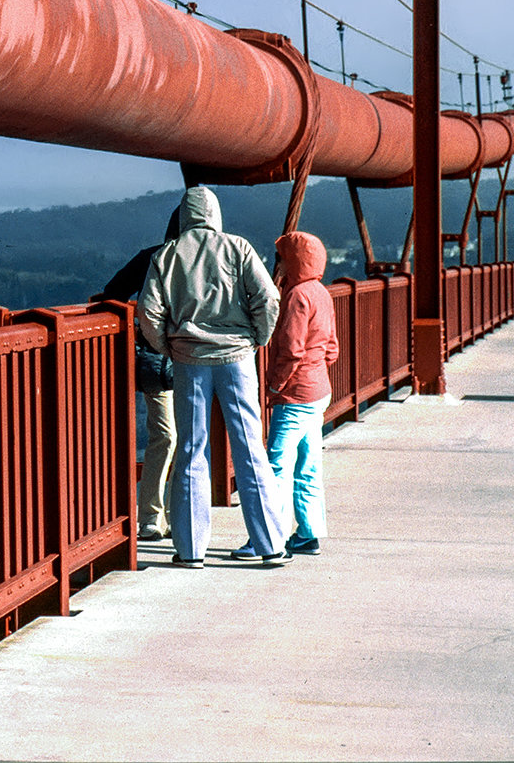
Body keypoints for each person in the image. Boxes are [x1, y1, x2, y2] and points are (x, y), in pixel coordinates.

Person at [137, 186, 291, 568]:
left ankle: (190, 550)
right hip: (237, 358)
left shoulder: (167, 255)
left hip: (189, 359)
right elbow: (268, 298)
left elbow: (148, 312)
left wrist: (169, 347)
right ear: (215, 214)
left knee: (191, 450)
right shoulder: (237, 248)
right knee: (249, 448)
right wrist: (258, 338)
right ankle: (270, 543)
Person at [95, 210, 182, 541]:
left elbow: (112, 293)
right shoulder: (204, 258)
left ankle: (164, 514)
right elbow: (114, 292)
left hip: (160, 361)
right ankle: (154, 515)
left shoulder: (151, 257)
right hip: (177, 362)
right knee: (172, 437)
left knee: (172, 437)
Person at [264, 230, 339, 556]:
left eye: (280, 256)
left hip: (295, 395)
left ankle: (270, 539)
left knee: (276, 466)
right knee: (308, 467)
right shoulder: (321, 292)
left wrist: (273, 386)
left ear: (291, 260)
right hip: (318, 390)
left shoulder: (296, 297)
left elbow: (292, 351)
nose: (276, 262)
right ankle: (308, 533)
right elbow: (332, 349)